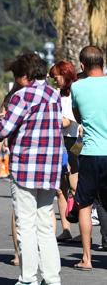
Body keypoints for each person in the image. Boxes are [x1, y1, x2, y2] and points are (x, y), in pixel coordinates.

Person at [0, 52, 61, 285]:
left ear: (26, 75)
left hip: (26, 166)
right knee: (45, 225)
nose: (16, 80)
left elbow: (4, 130)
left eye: (18, 76)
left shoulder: (23, 96)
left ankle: (28, 278)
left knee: (25, 225)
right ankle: (52, 278)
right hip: (49, 168)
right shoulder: (53, 94)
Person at [71, 46, 107, 271]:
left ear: (82, 66)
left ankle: (87, 258)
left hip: (90, 153)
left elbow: (78, 117)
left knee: (84, 205)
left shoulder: (77, 86)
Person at [48, 61, 79, 242]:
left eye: (56, 77)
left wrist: (47, 120)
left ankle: (83, 231)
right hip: (58, 142)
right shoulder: (56, 94)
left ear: (65, 75)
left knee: (75, 186)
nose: (54, 80)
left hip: (71, 141)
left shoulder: (73, 93)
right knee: (60, 189)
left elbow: (67, 121)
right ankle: (66, 228)